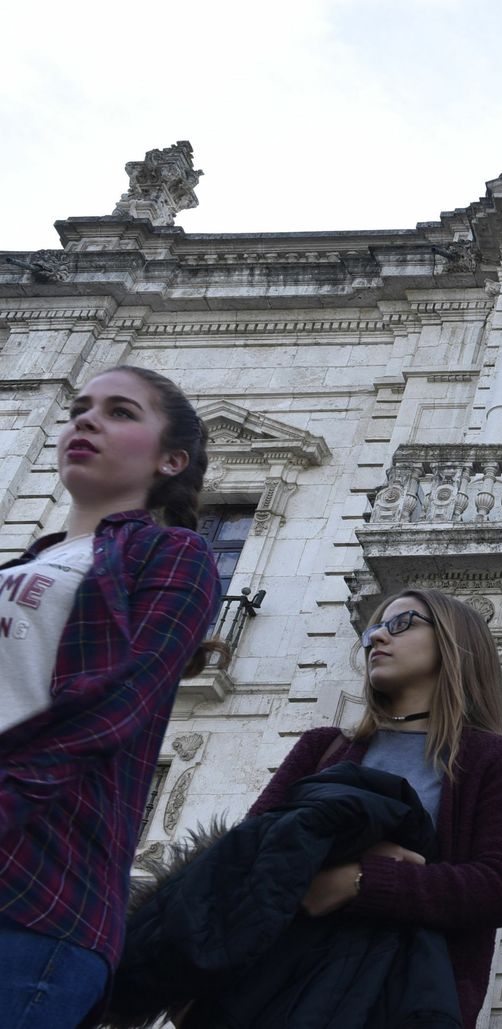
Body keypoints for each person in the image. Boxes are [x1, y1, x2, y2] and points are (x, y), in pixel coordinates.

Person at [0, 365, 222, 1027]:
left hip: (36, 893)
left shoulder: (174, 555)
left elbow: (112, 705)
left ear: (170, 458)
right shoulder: (21, 563)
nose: (86, 419)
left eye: (120, 411)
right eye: (79, 406)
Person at [242, 588, 502, 1025]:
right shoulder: (323, 747)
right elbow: (247, 855)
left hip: (405, 1000)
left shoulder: (495, 759)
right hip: (282, 992)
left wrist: (361, 880)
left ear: (455, 644)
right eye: (374, 629)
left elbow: (498, 888)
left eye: (401, 624)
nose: (378, 637)